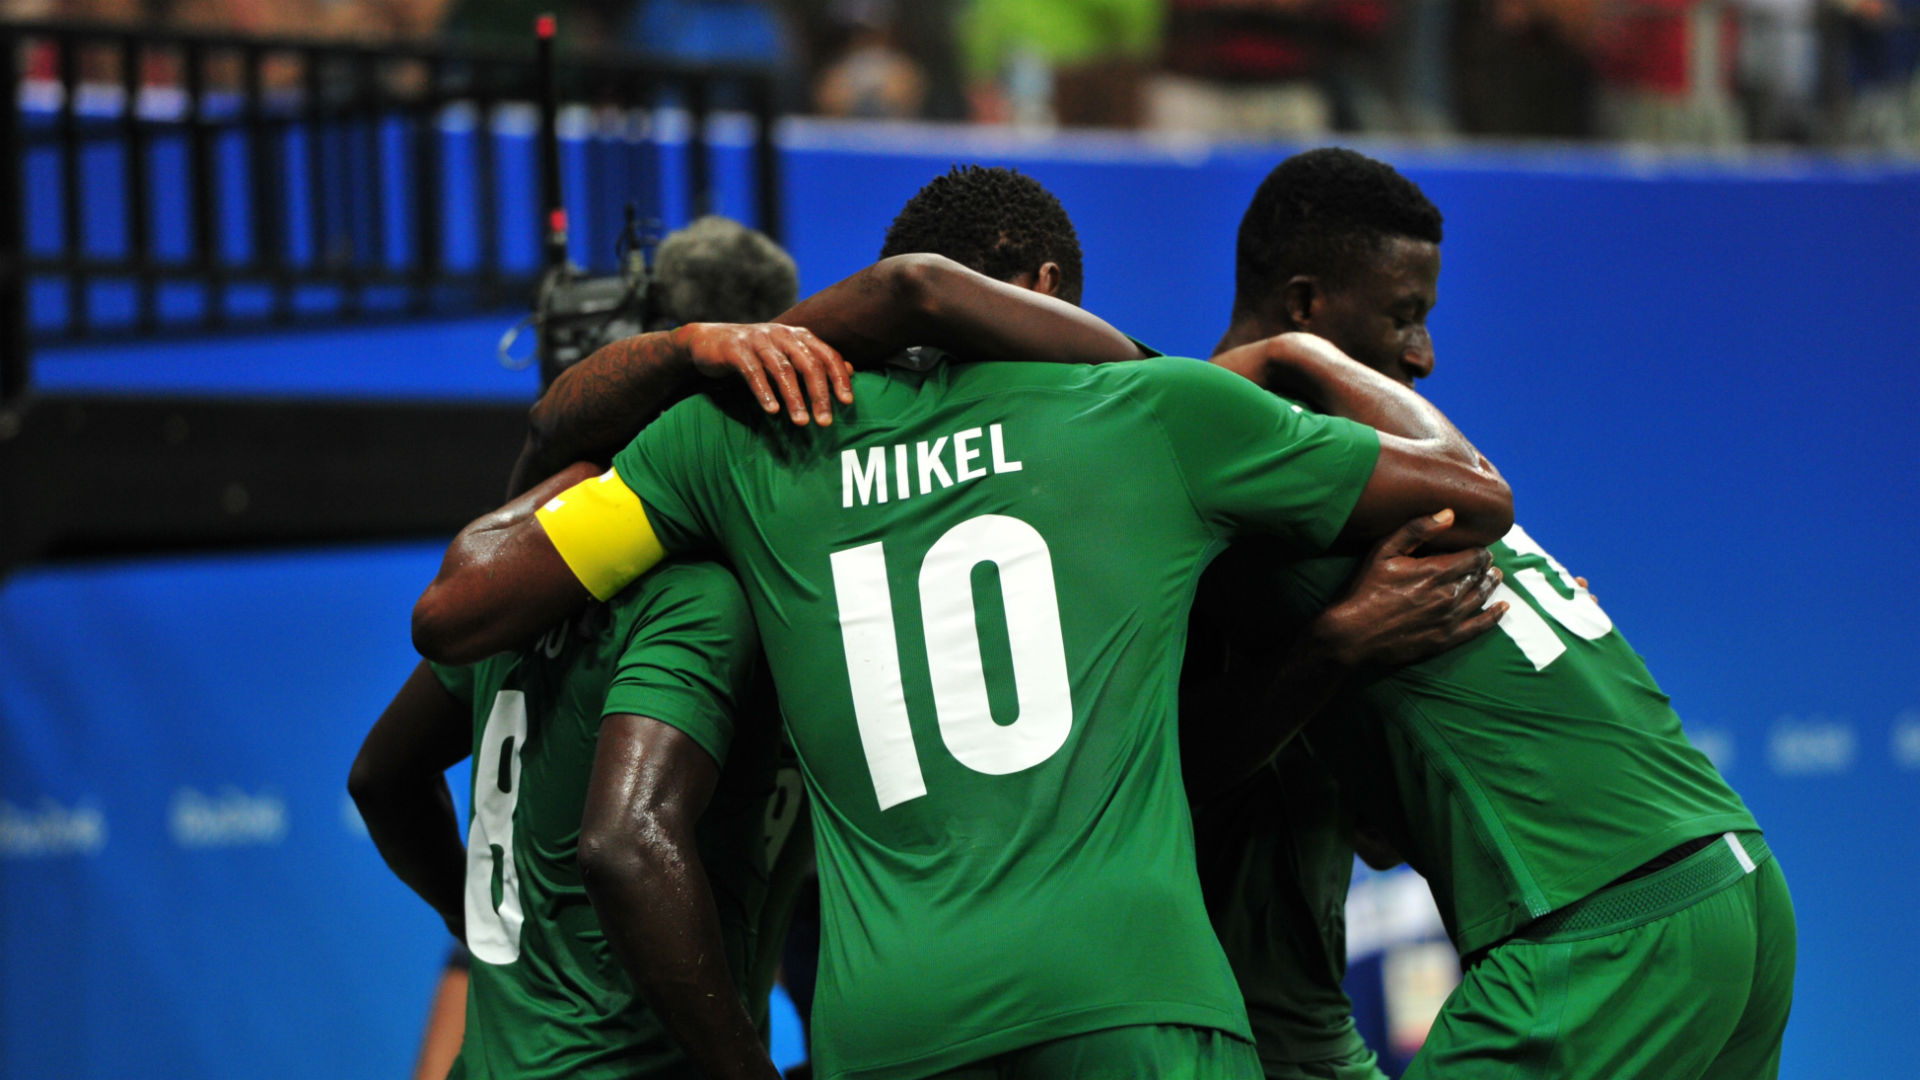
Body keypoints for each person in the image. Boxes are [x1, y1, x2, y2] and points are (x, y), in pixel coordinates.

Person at [408, 241, 1513, 1079]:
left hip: (887, 1022)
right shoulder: (1149, 416)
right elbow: (1474, 493)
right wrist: (1274, 362)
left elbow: (457, 616)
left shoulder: (737, 451)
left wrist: (701, 366)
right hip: (1131, 995)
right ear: (1040, 287)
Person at [1210, 147, 1795, 1079]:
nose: (1422, 356)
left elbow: (1183, 756)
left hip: (1601, 925)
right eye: (1403, 317)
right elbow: (1379, 823)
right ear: (1308, 305)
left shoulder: (1307, 477)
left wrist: (1334, 653)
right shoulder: (1335, 475)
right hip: (1737, 884)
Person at [352, 220, 821, 1080]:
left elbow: (380, 778)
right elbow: (626, 845)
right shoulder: (703, 595)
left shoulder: (522, 587)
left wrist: (486, 925)